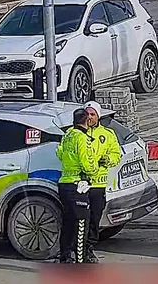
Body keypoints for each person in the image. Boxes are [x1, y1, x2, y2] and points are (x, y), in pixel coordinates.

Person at [56, 108, 97, 264]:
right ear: (86, 120)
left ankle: (65, 257)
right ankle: (80, 262)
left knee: (68, 222)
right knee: (81, 224)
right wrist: (95, 169)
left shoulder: (67, 135)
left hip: (64, 183)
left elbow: (59, 153)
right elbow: (87, 163)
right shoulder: (82, 138)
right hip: (78, 184)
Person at [83, 101, 123, 263]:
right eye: (87, 114)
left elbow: (116, 154)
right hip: (80, 185)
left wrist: (108, 159)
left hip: (98, 185)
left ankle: (89, 249)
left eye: (92, 114)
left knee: (94, 220)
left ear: (98, 116)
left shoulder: (107, 134)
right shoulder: (78, 133)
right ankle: (75, 251)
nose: (89, 117)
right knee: (79, 220)